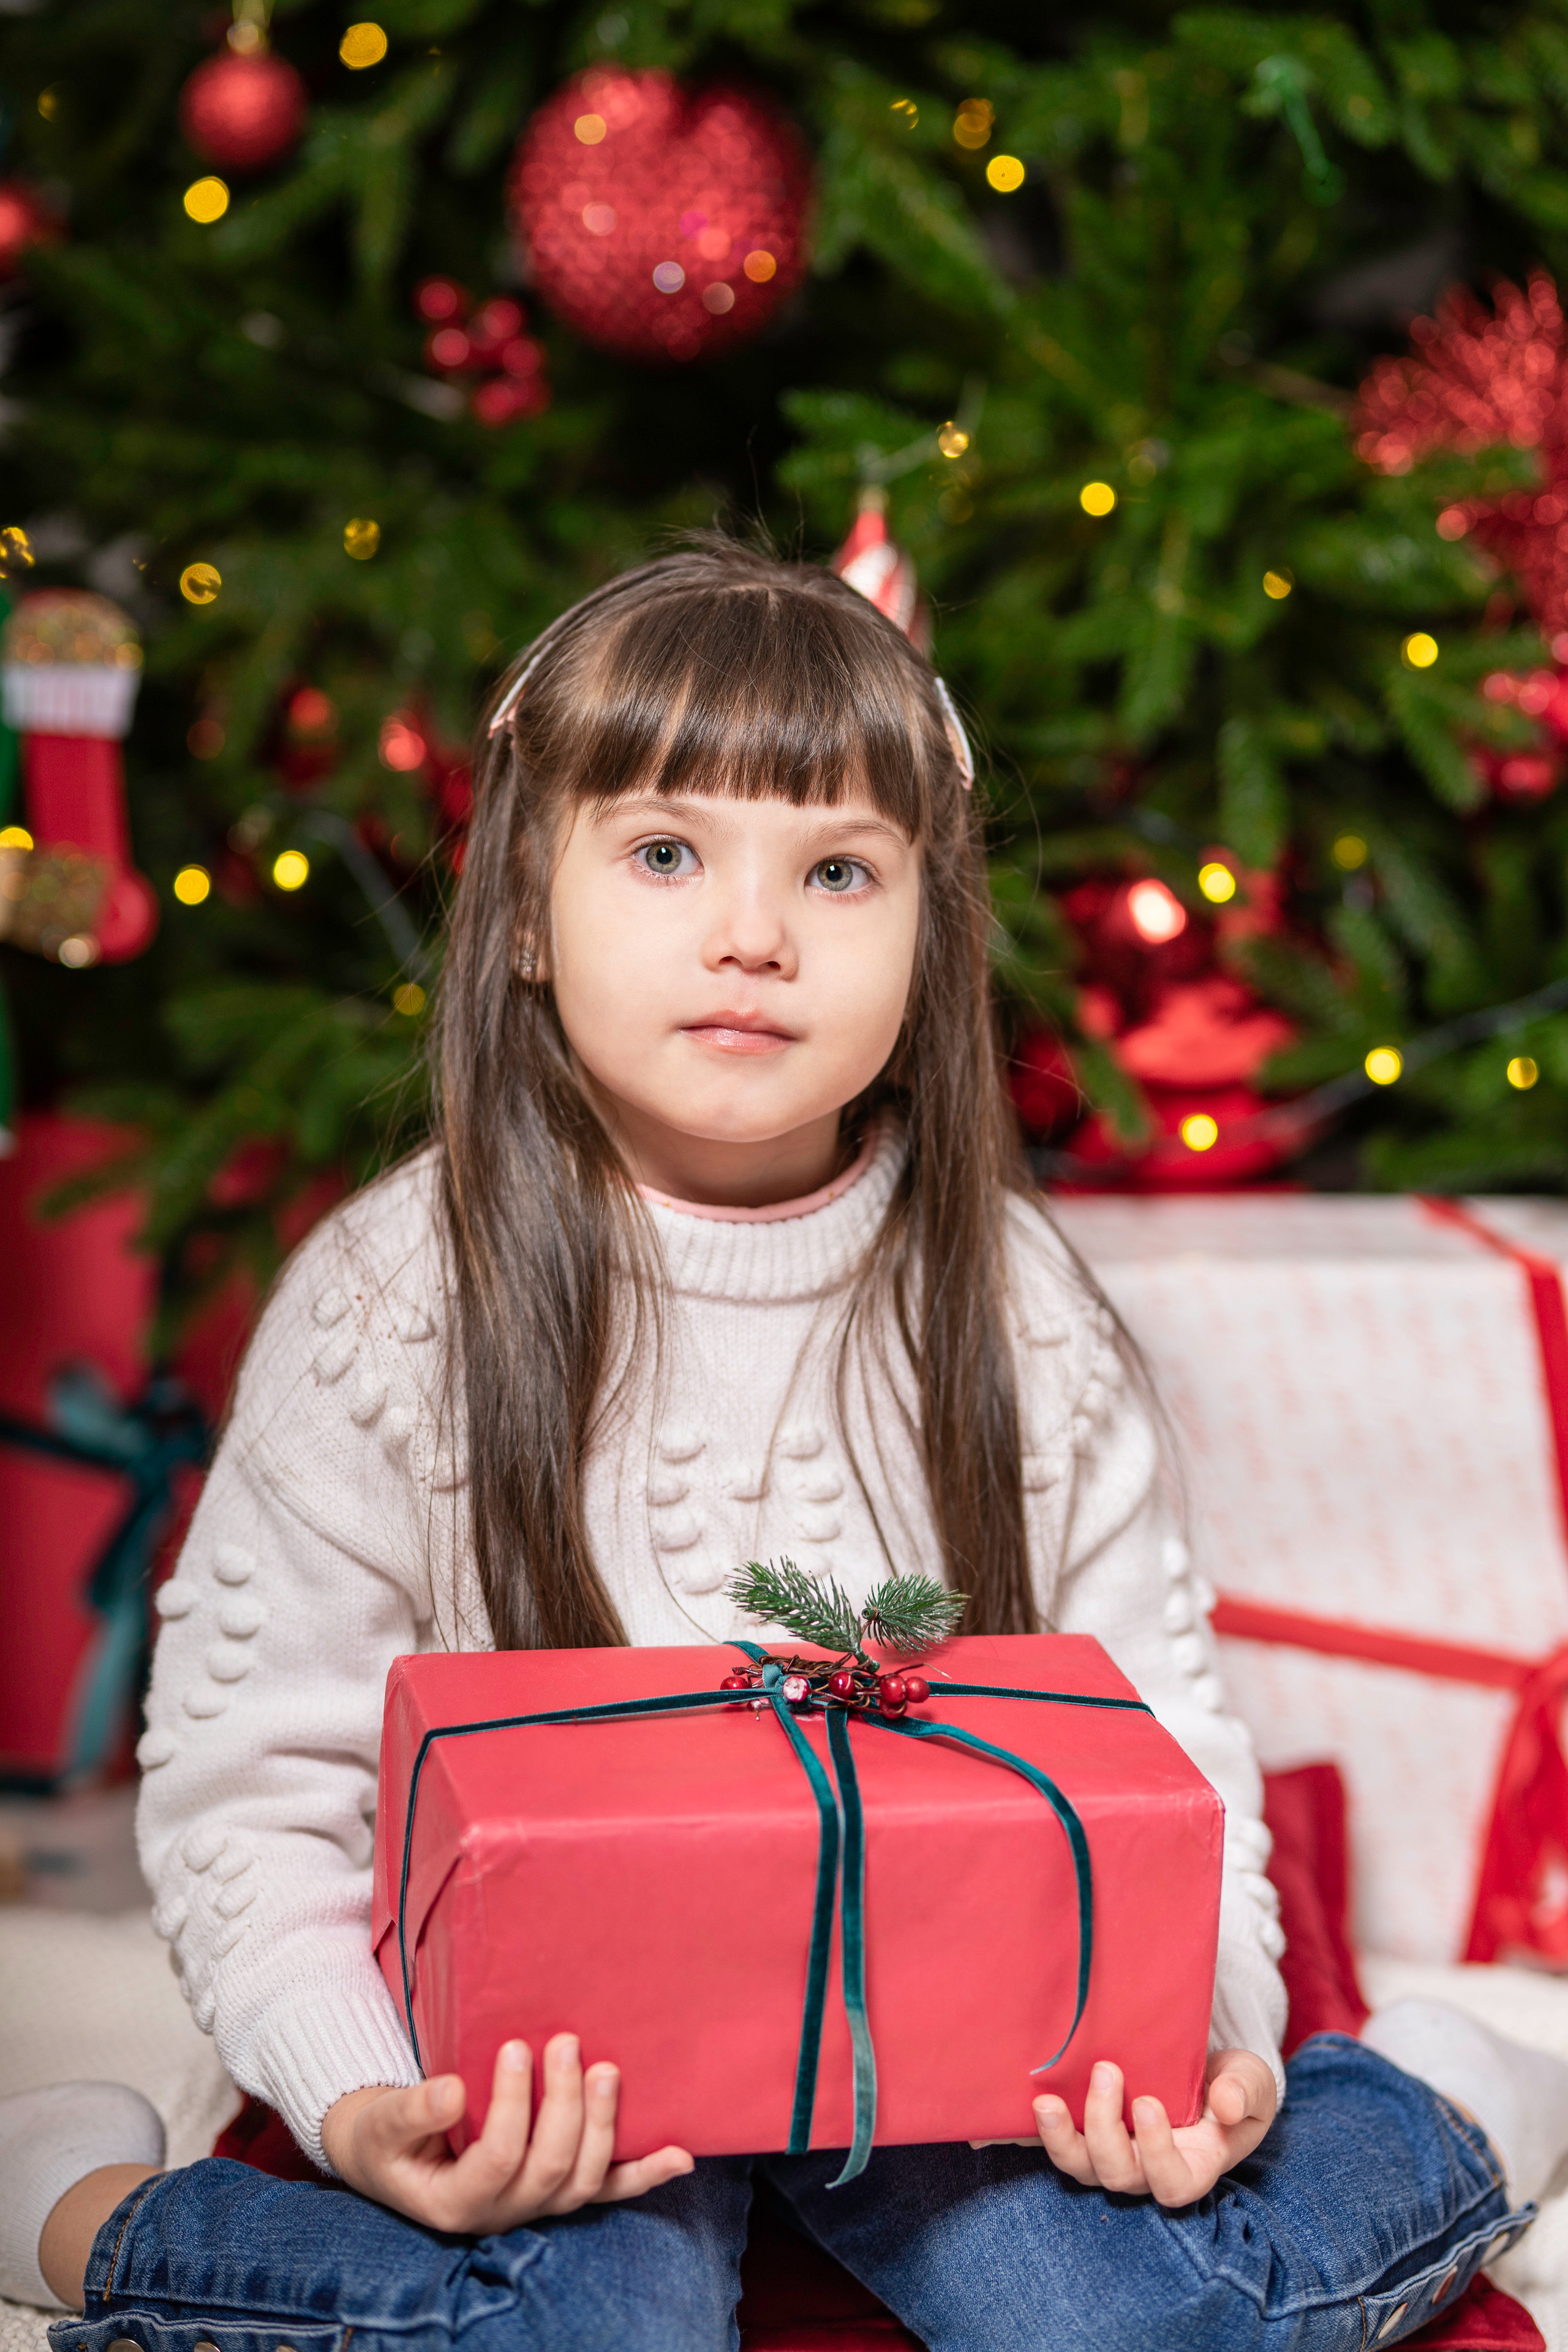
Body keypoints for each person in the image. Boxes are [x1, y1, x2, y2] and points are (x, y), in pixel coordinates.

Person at [2, 540, 1564, 2352]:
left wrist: (1195, 2034)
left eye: (837, 871)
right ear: (526, 912)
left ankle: (1441, 2105)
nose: (754, 934)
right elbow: (251, 1781)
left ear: (929, 936)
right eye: (667, 854)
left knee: (1127, 2323)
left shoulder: (1019, 1309)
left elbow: (1160, 1733)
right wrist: (359, 2098)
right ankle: (82, 2204)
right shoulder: (392, 1303)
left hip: (948, 1998)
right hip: (563, 2038)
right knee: (586, 2334)